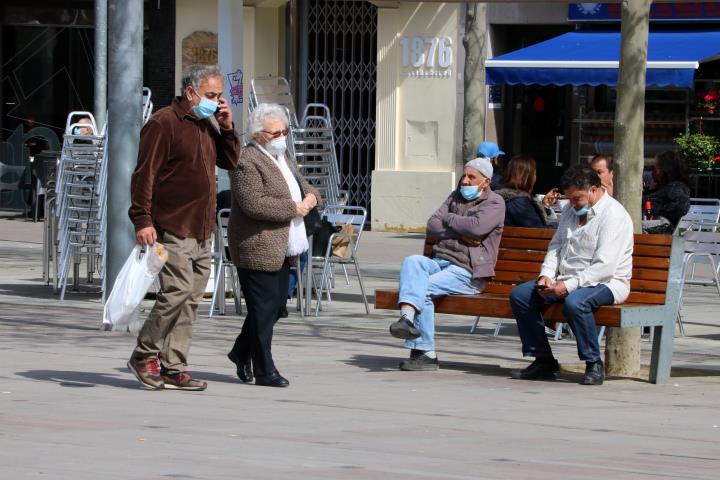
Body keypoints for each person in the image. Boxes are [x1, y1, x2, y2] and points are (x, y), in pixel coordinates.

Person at [127, 64, 241, 391]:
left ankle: (173, 365)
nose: (217, 102)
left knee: (191, 297)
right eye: (211, 95)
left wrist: (228, 128)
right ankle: (144, 353)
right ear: (191, 92)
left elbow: (230, 161)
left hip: (202, 227)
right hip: (173, 224)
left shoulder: (206, 123)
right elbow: (144, 175)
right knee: (175, 292)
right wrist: (142, 219)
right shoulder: (164, 123)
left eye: (220, 96)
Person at [509, 165, 633, 386]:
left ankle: (593, 363)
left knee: (575, 303)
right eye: (570, 199)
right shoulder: (570, 210)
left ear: (594, 190)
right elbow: (556, 246)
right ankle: (543, 360)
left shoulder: (613, 215)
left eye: (578, 199)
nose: (572, 204)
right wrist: (545, 275)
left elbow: (605, 266)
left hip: (607, 283)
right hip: (567, 279)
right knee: (521, 295)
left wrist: (568, 286)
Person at [226, 103, 320, 388]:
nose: (281, 136)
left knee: (274, 306)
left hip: (287, 247)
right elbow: (254, 203)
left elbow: (307, 186)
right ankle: (265, 370)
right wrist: (295, 208)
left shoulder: (284, 156)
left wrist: (312, 198)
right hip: (257, 246)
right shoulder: (247, 160)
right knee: (263, 308)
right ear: (258, 135)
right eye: (274, 132)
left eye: (284, 131)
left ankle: (241, 352)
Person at [388, 157, 505, 371]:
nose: (465, 181)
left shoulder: (495, 202)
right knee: (412, 261)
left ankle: (426, 353)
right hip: (440, 261)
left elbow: (477, 228)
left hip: (468, 272)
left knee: (422, 289)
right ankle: (406, 321)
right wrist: (461, 229)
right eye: (464, 176)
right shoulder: (454, 197)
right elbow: (432, 224)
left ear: (486, 182)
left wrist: (449, 219)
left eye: (472, 177)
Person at [495, 155, 556, 228]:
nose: (535, 178)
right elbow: (538, 230)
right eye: (534, 174)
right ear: (527, 177)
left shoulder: (509, 198)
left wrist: (545, 206)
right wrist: (560, 225)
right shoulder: (519, 202)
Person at [644, 150, 690, 230]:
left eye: (656, 168)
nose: (654, 172)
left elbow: (678, 209)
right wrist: (650, 189)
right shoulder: (666, 187)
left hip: (662, 231)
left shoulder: (676, 189)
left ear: (665, 169)